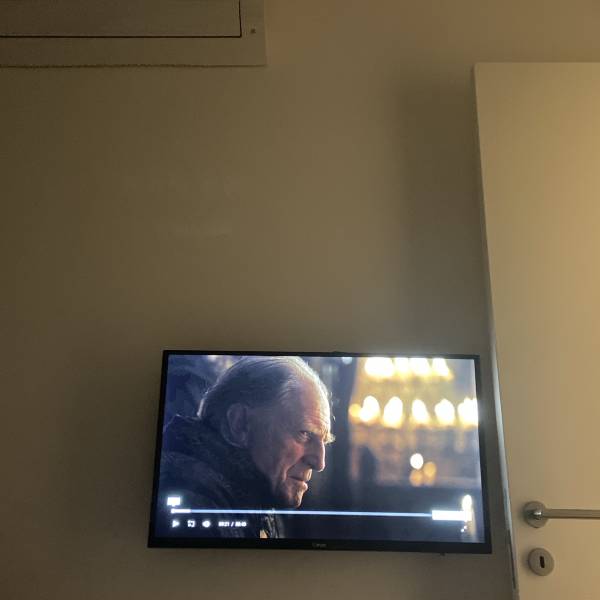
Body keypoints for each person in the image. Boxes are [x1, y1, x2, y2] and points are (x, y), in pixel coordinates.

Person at [157, 356, 334, 538]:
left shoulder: (257, 500)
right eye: (304, 433)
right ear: (240, 423)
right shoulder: (193, 500)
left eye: (324, 441)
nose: (319, 463)